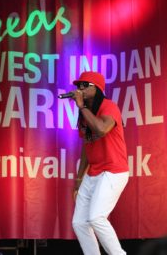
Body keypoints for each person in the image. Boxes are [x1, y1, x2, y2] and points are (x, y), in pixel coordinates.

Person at [71, 71, 129, 255]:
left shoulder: (109, 106)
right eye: (78, 85)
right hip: (93, 173)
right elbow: (86, 146)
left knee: (96, 217)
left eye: (84, 85)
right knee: (79, 222)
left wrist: (81, 107)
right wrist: (79, 180)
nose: (79, 88)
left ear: (96, 89)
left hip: (113, 171)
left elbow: (102, 129)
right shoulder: (85, 115)